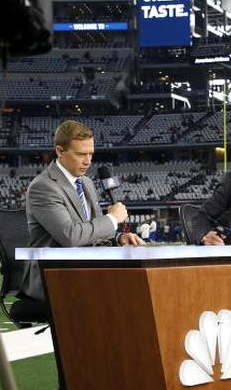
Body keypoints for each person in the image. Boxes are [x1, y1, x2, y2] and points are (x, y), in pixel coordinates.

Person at [14, 120, 144, 321]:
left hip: (83, 271)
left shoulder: (86, 183)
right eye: (81, 154)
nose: (88, 161)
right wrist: (112, 219)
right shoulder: (44, 187)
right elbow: (71, 236)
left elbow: (93, 230)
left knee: (137, 287)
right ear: (60, 151)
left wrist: (119, 238)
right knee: (123, 297)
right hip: (53, 277)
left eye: (91, 154)